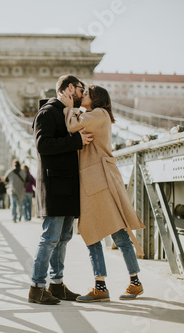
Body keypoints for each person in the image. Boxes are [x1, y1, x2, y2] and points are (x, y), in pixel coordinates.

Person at [61, 85, 145, 302]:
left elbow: (71, 126)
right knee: (92, 233)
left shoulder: (98, 114)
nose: (82, 96)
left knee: (116, 233)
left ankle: (130, 283)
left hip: (101, 181)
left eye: (85, 94)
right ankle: (103, 286)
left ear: (96, 98)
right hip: (92, 181)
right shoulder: (95, 115)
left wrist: (69, 107)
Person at [28, 74, 93, 305]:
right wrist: (76, 141)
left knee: (64, 238)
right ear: (68, 88)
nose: (82, 93)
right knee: (50, 238)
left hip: (67, 186)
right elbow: (42, 145)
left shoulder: (67, 113)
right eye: (80, 89)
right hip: (55, 186)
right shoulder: (47, 113)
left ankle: (56, 285)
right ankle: (36, 287)